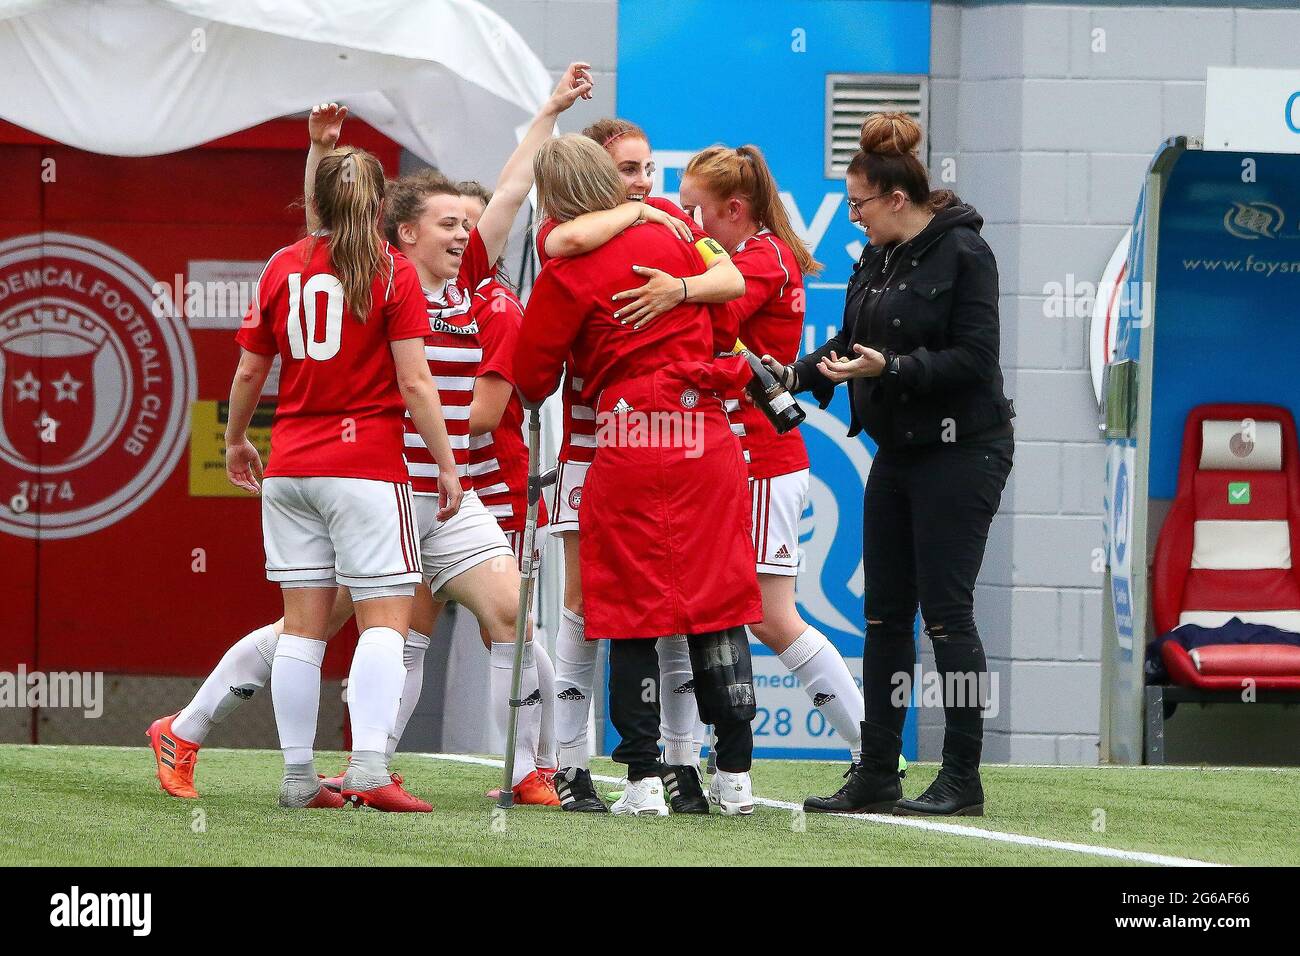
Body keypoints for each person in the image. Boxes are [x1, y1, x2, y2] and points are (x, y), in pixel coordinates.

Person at [147, 65, 592, 806]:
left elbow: (512, 189)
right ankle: (194, 729)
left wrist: (547, 110)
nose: (465, 233)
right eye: (448, 223)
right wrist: (322, 153)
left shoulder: (464, 281)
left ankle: (524, 771)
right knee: (317, 624)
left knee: (510, 612)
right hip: (380, 482)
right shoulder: (375, 273)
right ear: (404, 231)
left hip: (446, 496)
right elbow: (323, 224)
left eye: (466, 224)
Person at [156, 144, 463, 812]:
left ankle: (298, 777)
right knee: (384, 621)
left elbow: (246, 372)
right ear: (383, 206)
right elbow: (415, 381)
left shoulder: (281, 265)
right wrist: (445, 462)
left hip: (291, 464)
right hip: (364, 467)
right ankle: (369, 768)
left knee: (301, 627)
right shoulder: (391, 271)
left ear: (317, 201)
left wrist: (237, 439)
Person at [766, 113, 1014, 816]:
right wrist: (792, 376)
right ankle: (876, 769)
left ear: (896, 199)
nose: (853, 217)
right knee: (883, 618)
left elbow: (975, 360)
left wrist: (896, 367)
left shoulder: (965, 252)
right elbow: (852, 343)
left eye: (858, 205)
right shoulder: (875, 258)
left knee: (947, 617)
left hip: (965, 449)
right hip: (900, 452)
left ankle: (962, 775)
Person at [515, 134, 762, 816]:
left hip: (626, 438)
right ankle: (734, 776)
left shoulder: (568, 264)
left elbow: (532, 376)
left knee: (628, 612)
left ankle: (643, 780)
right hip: (703, 437)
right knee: (717, 605)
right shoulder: (680, 237)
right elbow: (729, 319)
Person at [678, 144, 882, 798]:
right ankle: (701, 762)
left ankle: (873, 752)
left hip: (762, 456)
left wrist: (674, 281)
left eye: (696, 212)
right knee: (716, 611)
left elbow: (711, 319)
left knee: (770, 616)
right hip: (735, 455)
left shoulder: (761, 259)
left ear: (733, 209)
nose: (689, 225)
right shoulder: (750, 252)